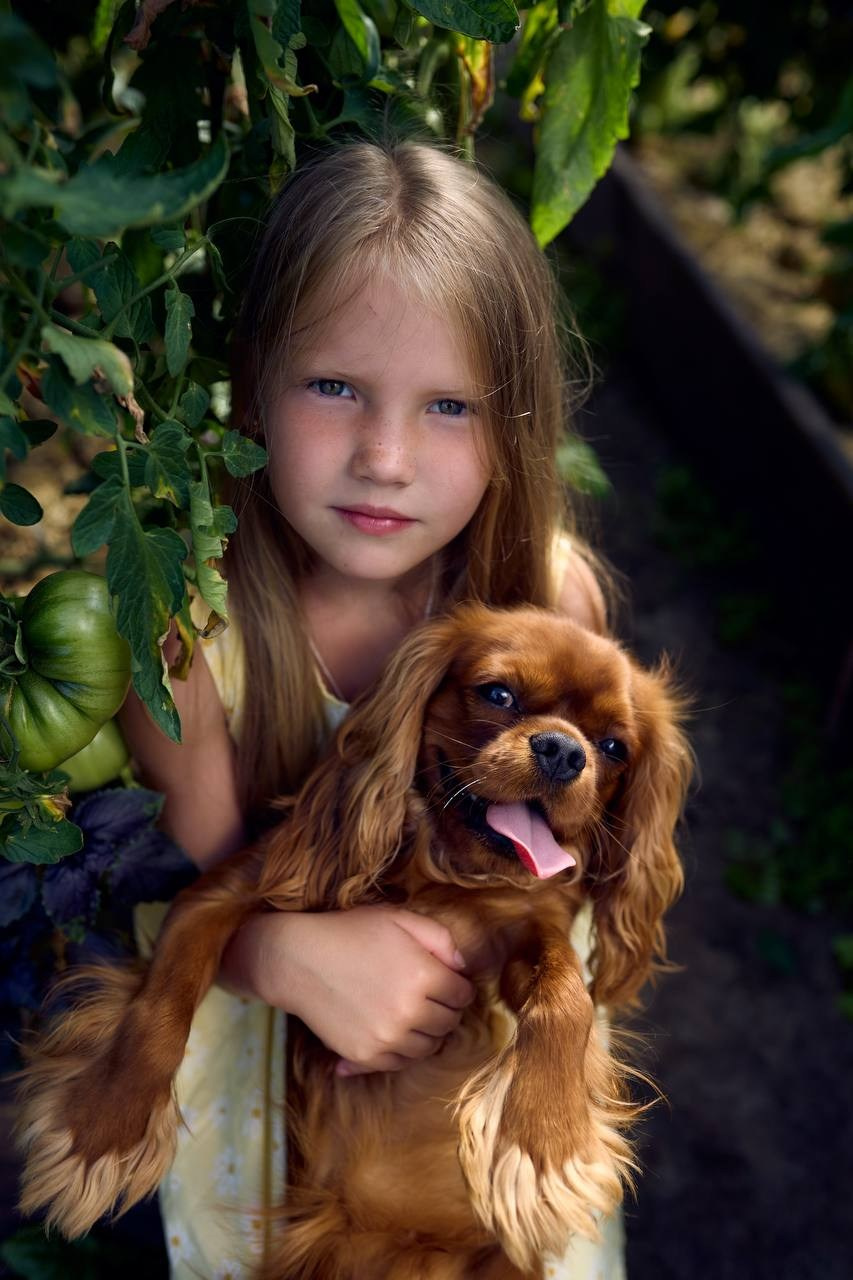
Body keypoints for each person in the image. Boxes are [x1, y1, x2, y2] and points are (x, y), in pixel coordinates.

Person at [119, 139, 625, 1279]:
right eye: (334, 386)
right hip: (284, 1132)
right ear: (252, 381)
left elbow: (586, 873)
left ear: (516, 424)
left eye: (449, 404)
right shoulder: (199, 645)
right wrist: (292, 958)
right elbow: (179, 898)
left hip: (487, 1129)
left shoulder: (551, 602)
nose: (385, 457)